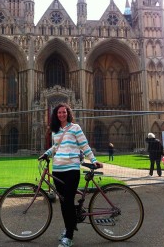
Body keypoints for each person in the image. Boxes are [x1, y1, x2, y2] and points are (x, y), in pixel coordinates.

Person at [39, 103, 103, 247]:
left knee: (68, 201)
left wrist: (93, 160)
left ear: (68, 113)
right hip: (58, 169)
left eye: (64, 112)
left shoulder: (75, 128)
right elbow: (56, 146)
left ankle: (69, 236)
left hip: (72, 170)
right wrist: (46, 154)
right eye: (59, 113)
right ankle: (69, 227)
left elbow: (84, 145)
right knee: (63, 203)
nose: (61, 114)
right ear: (56, 115)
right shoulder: (55, 130)